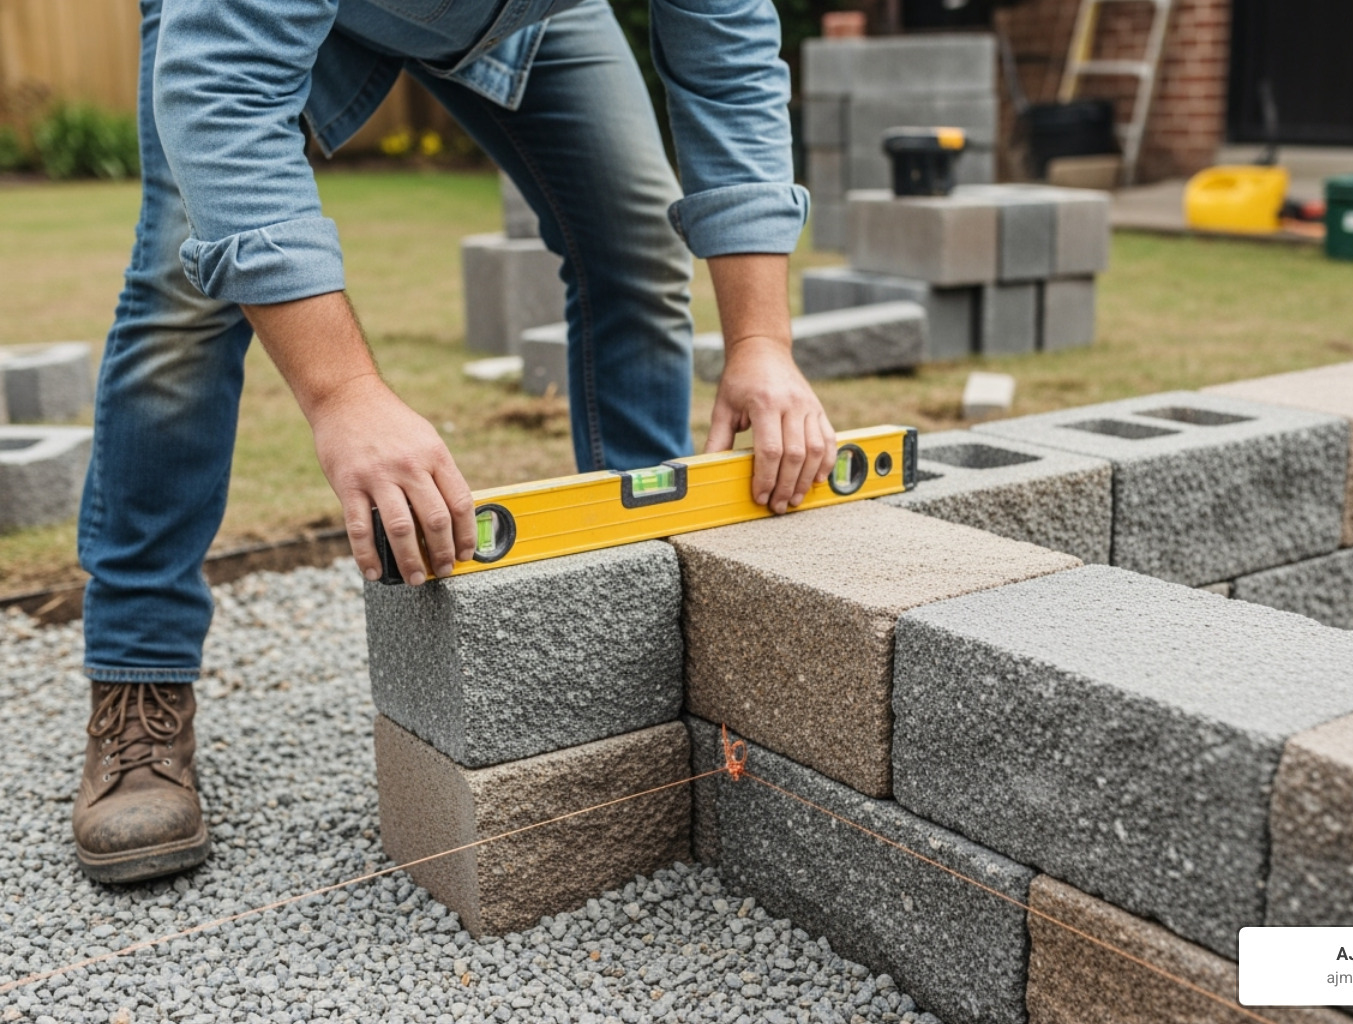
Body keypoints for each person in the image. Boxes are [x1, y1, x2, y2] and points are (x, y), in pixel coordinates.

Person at [73, 0, 836, 883]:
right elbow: (223, 94)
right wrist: (345, 393)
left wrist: (760, 342)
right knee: (184, 293)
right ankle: (139, 682)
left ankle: (640, 603)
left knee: (631, 238)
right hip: (254, 21)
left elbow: (728, 62)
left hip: (529, 17)